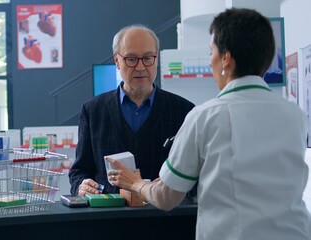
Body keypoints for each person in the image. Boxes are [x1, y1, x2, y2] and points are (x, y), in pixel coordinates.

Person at [106, 8, 311, 240]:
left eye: (211, 52)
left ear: (226, 58)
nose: (210, 61)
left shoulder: (204, 117)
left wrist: (137, 184)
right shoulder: (295, 115)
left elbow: (166, 197)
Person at [69, 24, 195, 196]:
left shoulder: (184, 111)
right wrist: (81, 186)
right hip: (108, 218)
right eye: (131, 59)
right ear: (116, 61)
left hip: (164, 218)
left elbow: (193, 174)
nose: (141, 67)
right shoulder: (93, 111)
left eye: (148, 58)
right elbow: (79, 171)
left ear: (156, 59)